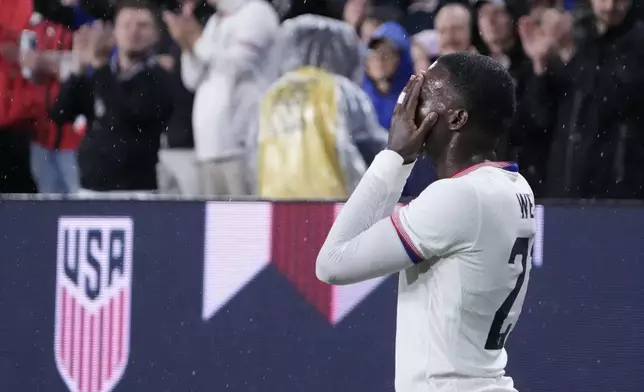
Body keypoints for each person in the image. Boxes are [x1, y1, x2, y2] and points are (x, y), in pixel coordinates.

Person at [316, 53, 536, 392]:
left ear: (457, 118)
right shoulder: (514, 186)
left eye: (426, 89)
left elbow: (332, 264)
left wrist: (395, 156)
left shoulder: (459, 198)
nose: (409, 101)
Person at [50, 0, 173, 194]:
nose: (133, 31)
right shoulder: (102, 73)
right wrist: (78, 69)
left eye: (142, 25)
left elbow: (127, 114)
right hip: (91, 186)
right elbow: (61, 113)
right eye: (126, 25)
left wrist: (99, 66)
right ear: (114, 31)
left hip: (135, 190)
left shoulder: (160, 78)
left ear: (156, 34)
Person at [164, 0, 279, 197]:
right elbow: (192, 79)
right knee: (214, 224)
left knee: (245, 221)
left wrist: (196, 40)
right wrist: (187, 45)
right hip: (208, 148)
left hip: (242, 147)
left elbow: (236, 66)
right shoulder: (215, 21)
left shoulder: (257, 12)